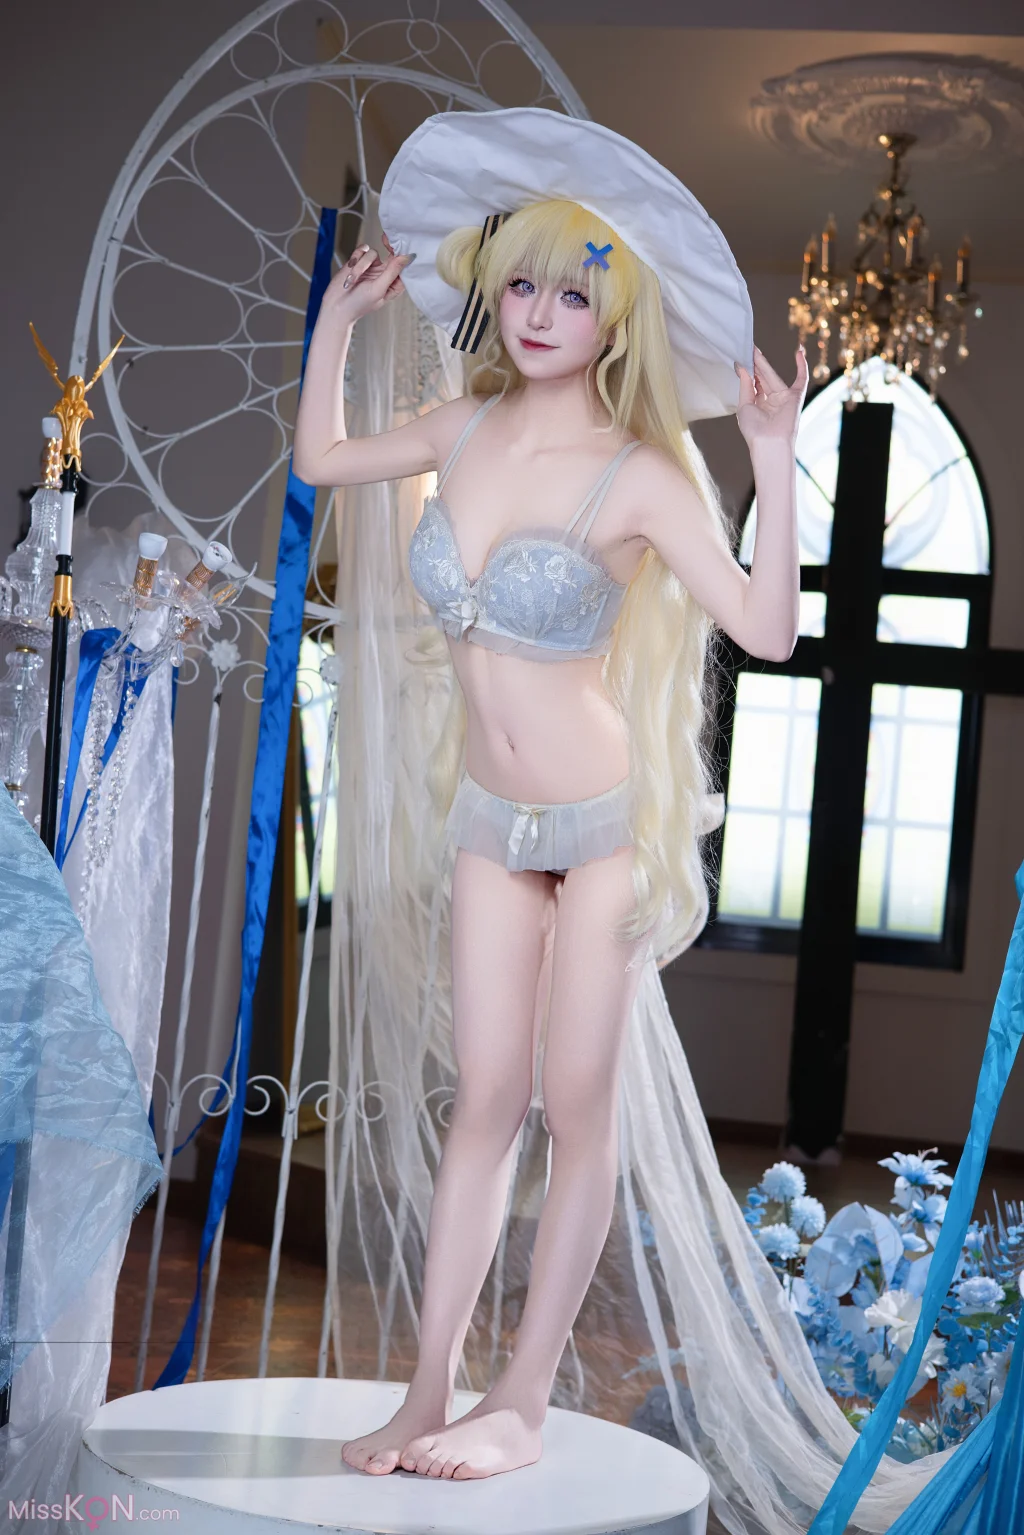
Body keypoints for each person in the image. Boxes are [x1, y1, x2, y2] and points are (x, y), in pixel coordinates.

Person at [294, 107, 805, 1484]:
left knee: (577, 1107)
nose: (537, 313)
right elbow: (323, 463)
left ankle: (519, 1402)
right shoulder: (460, 427)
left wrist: (773, 456)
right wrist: (337, 327)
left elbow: (767, 630)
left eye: (574, 295)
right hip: (489, 817)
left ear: (616, 319)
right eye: (521, 282)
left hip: (598, 826)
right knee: (483, 1104)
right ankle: (427, 1390)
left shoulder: (640, 475)